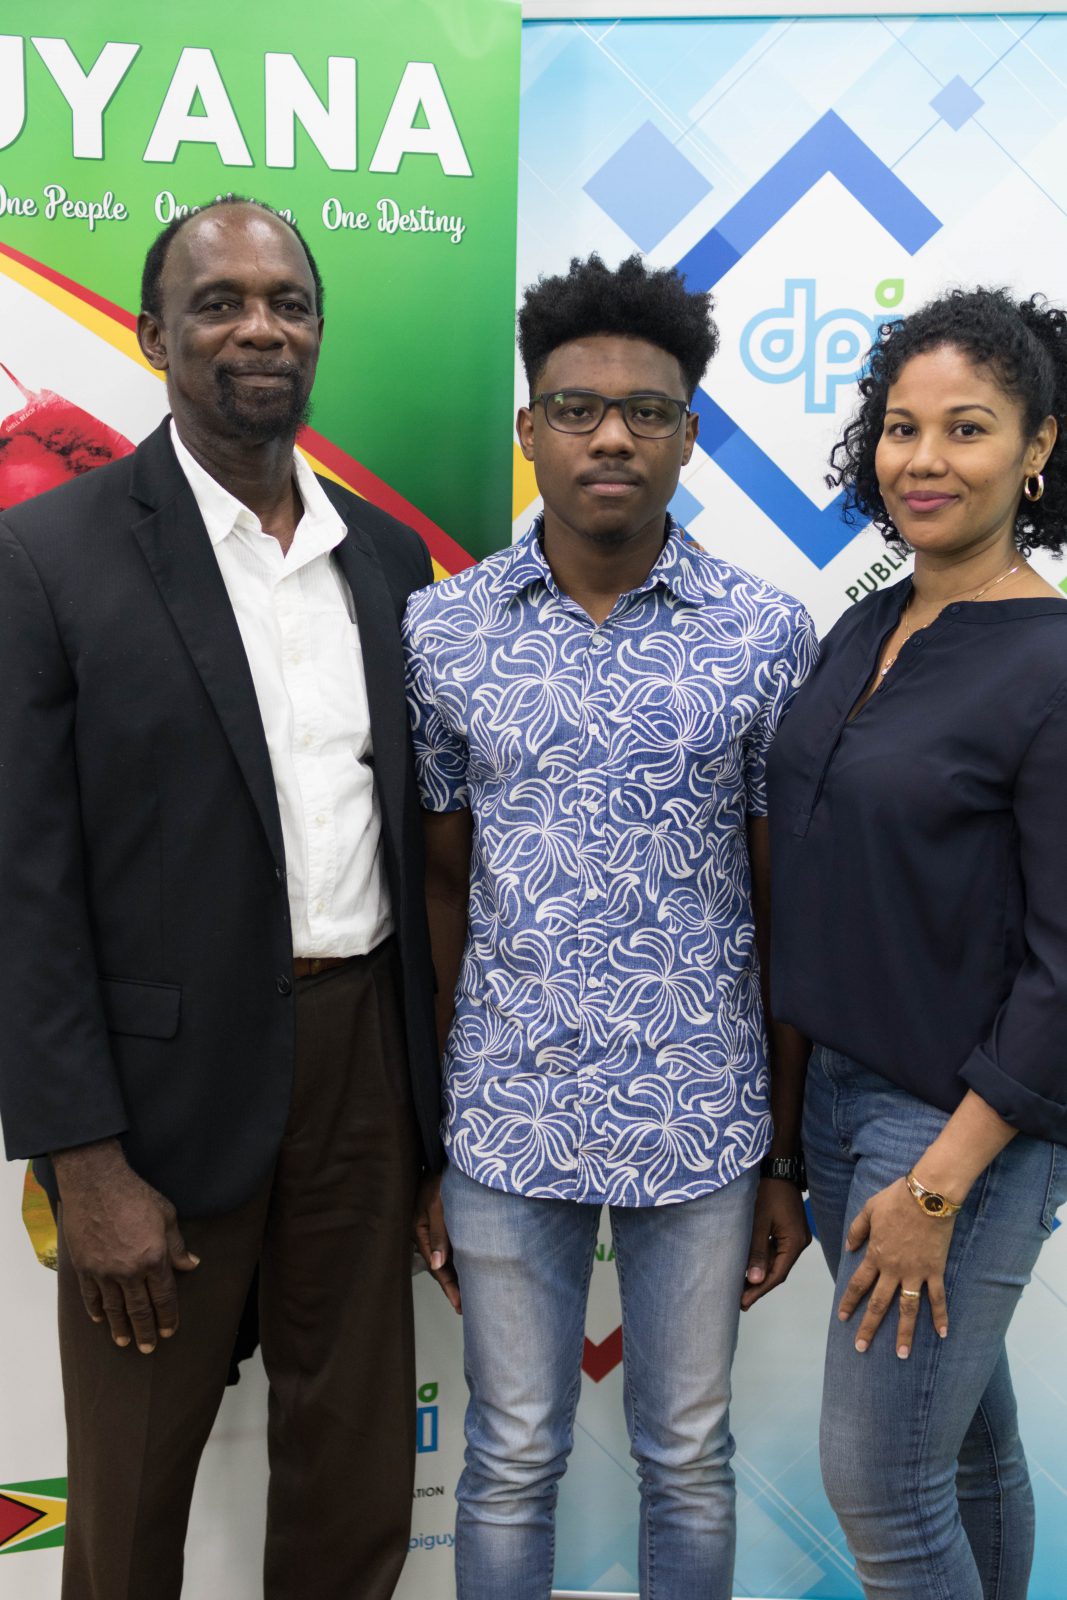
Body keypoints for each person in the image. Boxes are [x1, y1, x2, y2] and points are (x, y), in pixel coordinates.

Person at [0, 197, 442, 1600]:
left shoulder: (384, 559)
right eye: (219, 302)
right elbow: (23, 877)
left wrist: (423, 1122)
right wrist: (83, 1155)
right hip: (155, 1107)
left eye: (288, 303)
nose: (260, 327)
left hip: (361, 1069)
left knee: (356, 1476)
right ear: (151, 335)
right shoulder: (47, 555)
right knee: (127, 1508)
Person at [404, 253, 817, 1600]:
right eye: (577, 408)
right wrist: (430, 1126)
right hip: (507, 1116)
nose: (612, 436)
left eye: (647, 411)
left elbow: (784, 899)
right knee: (513, 1450)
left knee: (686, 1451)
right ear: (529, 429)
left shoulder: (763, 634)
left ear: (688, 434)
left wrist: (785, 1156)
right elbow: (442, 886)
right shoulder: (442, 633)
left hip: (703, 1112)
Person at [767, 287, 1067, 1600]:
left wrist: (939, 1186)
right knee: (969, 1447)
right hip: (838, 1106)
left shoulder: (1053, 663)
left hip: (958, 1130)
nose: (926, 460)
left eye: (969, 429)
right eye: (902, 429)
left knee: (880, 1483)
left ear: (1037, 450)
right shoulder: (868, 622)